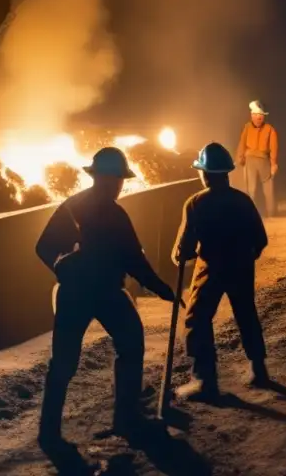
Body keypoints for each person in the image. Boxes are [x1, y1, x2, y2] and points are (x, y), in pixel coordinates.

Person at [35, 147, 178, 451]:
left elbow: (44, 247)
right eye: (116, 178)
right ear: (103, 177)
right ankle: (125, 419)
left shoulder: (72, 206)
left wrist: (62, 268)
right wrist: (162, 288)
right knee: (130, 343)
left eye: (120, 179)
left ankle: (49, 432)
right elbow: (133, 261)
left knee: (63, 362)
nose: (119, 185)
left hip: (75, 292)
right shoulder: (114, 213)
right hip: (104, 292)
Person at [173, 142, 271, 401]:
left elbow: (183, 249)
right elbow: (261, 239)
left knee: (197, 318)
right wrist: (246, 256)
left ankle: (204, 379)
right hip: (241, 267)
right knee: (246, 314)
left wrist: (182, 255)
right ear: (226, 173)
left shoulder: (195, 203)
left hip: (211, 270)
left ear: (204, 174)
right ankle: (259, 370)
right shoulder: (242, 200)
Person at [236, 100, 279, 217]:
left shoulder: (270, 129)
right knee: (251, 189)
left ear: (264, 117)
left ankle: (271, 213)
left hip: (264, 160)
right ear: (252, 116)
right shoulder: (247, 127)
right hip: (250, 160)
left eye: (261, 116)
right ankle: (251, 214)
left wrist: (273, 163)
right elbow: (242, 143)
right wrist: (240, 157)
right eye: (256, 115)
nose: (258, 118)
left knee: (268, 187)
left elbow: (273, 147)